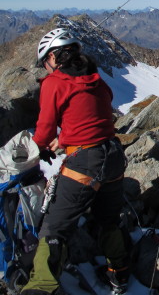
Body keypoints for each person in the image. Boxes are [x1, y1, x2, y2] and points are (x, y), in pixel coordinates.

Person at [21, 28, 130, 295]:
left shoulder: (54, 83)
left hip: (85, 163)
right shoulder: (95, 78)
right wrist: (69, 137)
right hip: (113, 156)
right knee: (108, 220)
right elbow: (103, 106)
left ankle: (41, 287)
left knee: (54, 227)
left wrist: (41, 147)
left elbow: (45, 129)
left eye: (46, 61)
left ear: (55, 57)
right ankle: (120, 275)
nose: (46, 68)